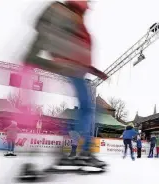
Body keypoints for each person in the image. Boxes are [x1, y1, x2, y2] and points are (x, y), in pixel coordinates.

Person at [20, 0, 107, 173]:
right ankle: (77, 153)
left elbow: (77, 48)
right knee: (88, 109)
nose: (87, 9)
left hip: (75, 68)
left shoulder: (74, 18)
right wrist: (31, 58)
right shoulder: (63, 12)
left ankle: (75, 152)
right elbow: (45, 32)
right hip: (69, 67)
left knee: (88, 109)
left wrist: (93, 70)